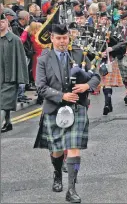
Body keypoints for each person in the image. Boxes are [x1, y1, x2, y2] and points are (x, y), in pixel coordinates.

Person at [34, 24, 100, 203]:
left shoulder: (79, 54)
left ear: (69, 38)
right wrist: (62, 95)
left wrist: (87, 86)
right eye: (59, 38)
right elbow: (40, 87)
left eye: (65, 38)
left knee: (73, 147)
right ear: (52, 39)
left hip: (77, 107)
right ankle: (57, 173)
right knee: (56, 150)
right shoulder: (44, 59)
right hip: (55, 107)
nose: (62, 42)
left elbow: (97, 74)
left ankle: (71, 189)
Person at [0, 13, 29, 133]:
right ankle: (8, 122)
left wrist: (22, 79)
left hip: (10, 78)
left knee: (3, 104)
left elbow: (21, 60)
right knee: (4, 104)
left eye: (2, 22)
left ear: (7, 22)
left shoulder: (15, 40)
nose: (0, 25)